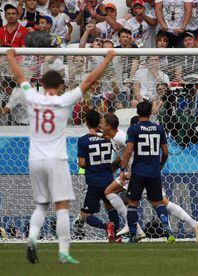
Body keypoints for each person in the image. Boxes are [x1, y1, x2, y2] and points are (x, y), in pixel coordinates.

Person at [6, 48, 116, 264]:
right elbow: (90, 80)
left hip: (35, 159)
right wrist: (108, 58)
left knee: (41, 206)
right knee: (62, 206)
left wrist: (10, 56)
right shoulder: (64, 100)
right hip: (56, 159)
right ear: (59, 87)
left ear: (43, 84)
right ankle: (64, 252)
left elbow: (19, 77)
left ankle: (32, 239)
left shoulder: (32, 96)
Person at [103, 114, 198, 243]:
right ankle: (136, 228)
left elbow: (131, 151)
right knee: (111, 192)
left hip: (138, 173)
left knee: (161, 203)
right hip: (142, 172)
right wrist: (116, 166)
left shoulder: (122, 137)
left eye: (102, 123)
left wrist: (130, 170)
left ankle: (193, 224)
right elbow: (124, 154)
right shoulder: (117, 137)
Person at [120, 100, 175, 243]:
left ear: (137, 113)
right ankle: (168, 230)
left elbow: (128, 151)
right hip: (154, 171)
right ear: (151, 112)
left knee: (133, 203)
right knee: (158, 203)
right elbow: (165, 151)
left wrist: (122, 169)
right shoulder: (159, 129)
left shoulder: (133, 129)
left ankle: (133, 236)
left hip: (138, 171)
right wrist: (161, 164)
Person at [76, 110, 120, 243]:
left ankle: (106, 226)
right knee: (110, 208)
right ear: (100, 123)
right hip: (108, 179)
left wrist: (92, 166)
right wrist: (112, 166)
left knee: (85, 215)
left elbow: (82, 164)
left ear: (86, 123)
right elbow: (120, 155)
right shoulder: (107, 138)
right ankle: (116, 235)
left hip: (94, 181)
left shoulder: (83, 140)